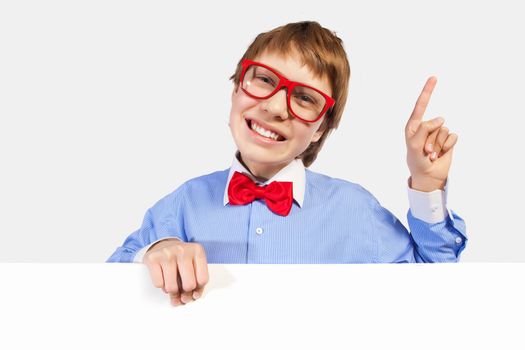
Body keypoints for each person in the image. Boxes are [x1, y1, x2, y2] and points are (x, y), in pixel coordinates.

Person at [107, 21, 467, 307]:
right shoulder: (184, 203)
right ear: (235, 90)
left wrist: (426, 184)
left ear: (319, 129)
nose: (276, 107)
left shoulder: (356, 212)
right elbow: (104, 286)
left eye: (305, 98)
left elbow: (436, 290)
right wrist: (154, 252)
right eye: (263, 79)